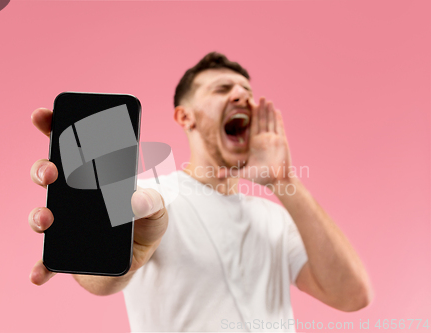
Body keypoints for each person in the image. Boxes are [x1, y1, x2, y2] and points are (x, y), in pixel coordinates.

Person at [28, 52, 372, 332]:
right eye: (223, 89)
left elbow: (351, 295)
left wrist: (285, 182)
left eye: (247, 92)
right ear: (185, 116)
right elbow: (97, 281)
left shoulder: (275, 217)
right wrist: (103, 247)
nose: (243, 97)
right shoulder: (149, 196)